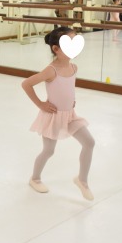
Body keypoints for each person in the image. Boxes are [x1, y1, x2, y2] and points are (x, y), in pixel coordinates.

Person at [21, 26, 95, 200]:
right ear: (56, 48)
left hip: (70, 115)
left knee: (89, 142)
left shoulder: (74, 67)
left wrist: (71, 101)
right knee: (48, 151)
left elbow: (67, 88)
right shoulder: (51, 70)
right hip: (53, 117)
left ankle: (82, 180)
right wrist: (40, 104)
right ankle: (35, 178)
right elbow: (26, 84)